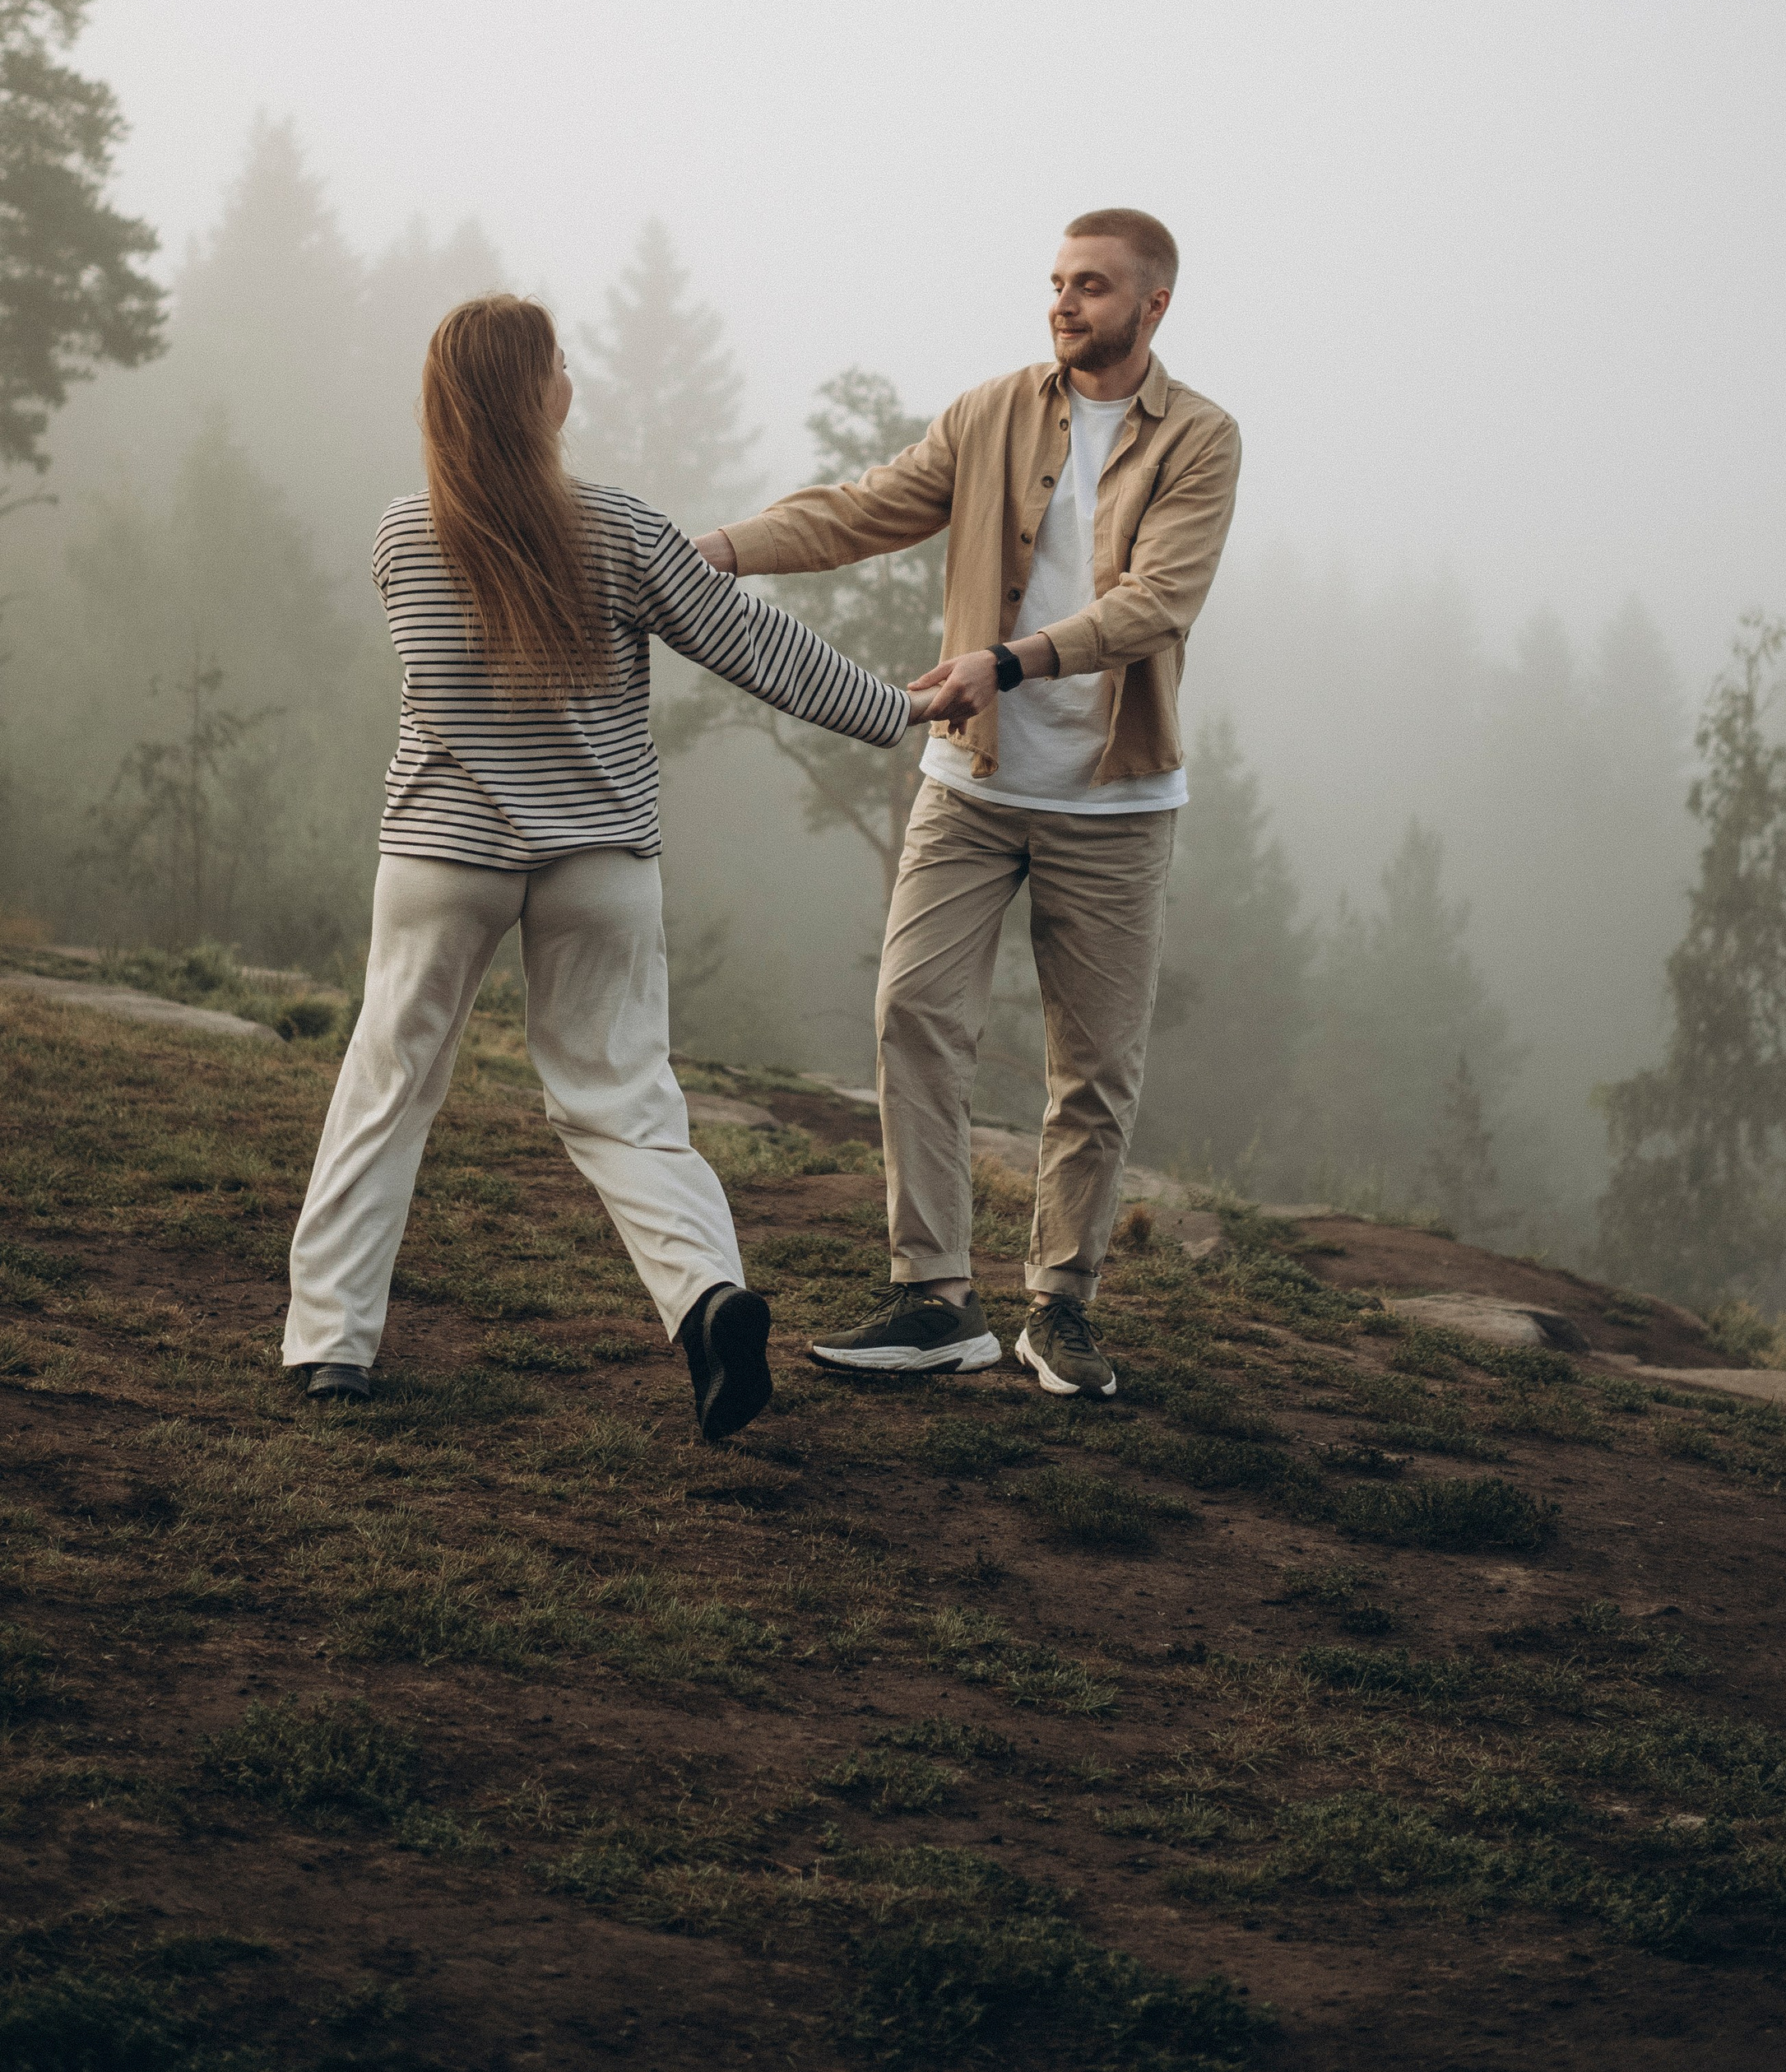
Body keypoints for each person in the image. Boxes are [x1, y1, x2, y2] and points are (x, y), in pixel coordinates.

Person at [282, 294, 929, 1438]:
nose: (571, 377)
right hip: (599, 860)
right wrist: (897, 708)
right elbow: (751, 643)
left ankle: (334, 1345)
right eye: (559, 363)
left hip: (443, 855)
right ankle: (709, 1303)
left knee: (388, 1088)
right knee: (625, 1102)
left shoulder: (401, 534)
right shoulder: (622, 529)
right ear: (536, 394)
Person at [695, 208, 1239, 1401]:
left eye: (1092, 286)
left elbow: (1158, 602)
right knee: (913, 1012)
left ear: (1154, 304)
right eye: (1058, 281)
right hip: (972, 784)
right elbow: (860, 508)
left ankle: (1061, 1308)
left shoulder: (1202, 438)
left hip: (1116, 802)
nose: (1064, 302)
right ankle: (936, 1298)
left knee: (1092, 1068)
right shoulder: (991, 411)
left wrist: (1009, 660)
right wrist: (715, 552)